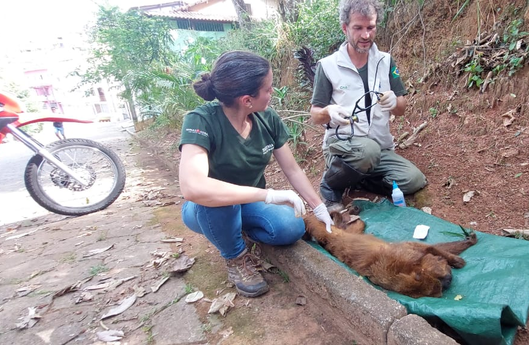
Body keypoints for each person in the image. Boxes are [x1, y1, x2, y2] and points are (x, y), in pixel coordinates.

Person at [179, 51, 334, 298]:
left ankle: (235, 229)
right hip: (206, 208)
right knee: (220, 198)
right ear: (247, 100)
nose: (273, 93)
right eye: (268, 89)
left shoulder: (267, 118)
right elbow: (193, 187)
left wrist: (318, 206)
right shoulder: (201, 120)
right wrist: (269, 195)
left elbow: (292, 169)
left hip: (248, 204)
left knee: (290, 227)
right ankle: (235, 257)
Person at [309, 0, 426, 212]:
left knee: (413, 180)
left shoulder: (385, 61)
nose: (365, 35)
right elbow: (315, 115)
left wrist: (394, 101)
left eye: (370, 27)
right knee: (367, 152)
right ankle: (331, 186)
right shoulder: (328, 66)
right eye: (358, 28)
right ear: (345, 28)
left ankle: (356, 179)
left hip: (379, 148)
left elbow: (401, 108)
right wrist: (329, 112)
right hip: (343, 148)